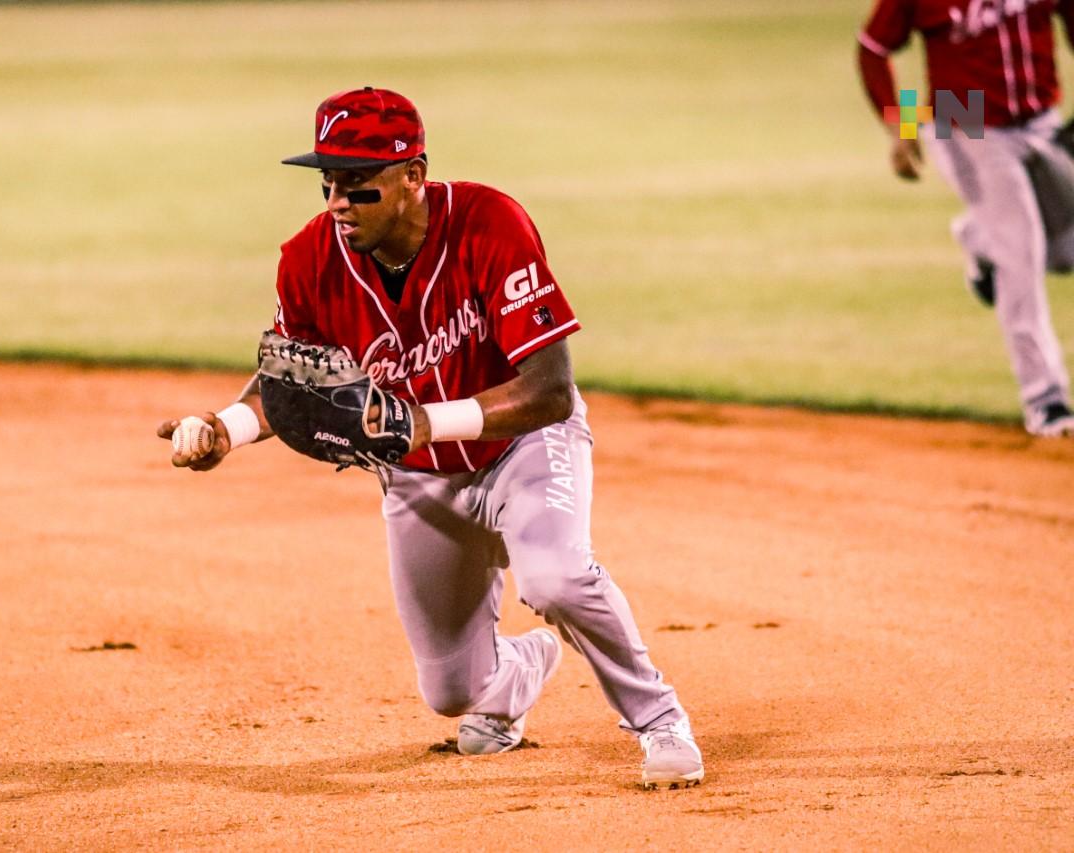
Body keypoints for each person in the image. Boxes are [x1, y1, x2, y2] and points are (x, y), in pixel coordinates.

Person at [157, 87, 703, 790]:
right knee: (451, 691)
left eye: (358, 187)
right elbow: (287, 385)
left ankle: (659, 719)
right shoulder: (307, 259)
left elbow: (549, 391)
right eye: (329, 184)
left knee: (557, 578)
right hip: (418, 476)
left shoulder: (489, 223)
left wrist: (422, 420)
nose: (337, 203)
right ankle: (519, 675)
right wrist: (221, 429)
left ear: (412, 175)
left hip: (523, 444)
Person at [857, 0, 1074, 437]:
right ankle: (1045, 400)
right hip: (967, 116)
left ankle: (979, 238)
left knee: (1065, 251)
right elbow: (873, 49)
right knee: (1020, 254)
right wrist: (903, 124)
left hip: (1040, 116)